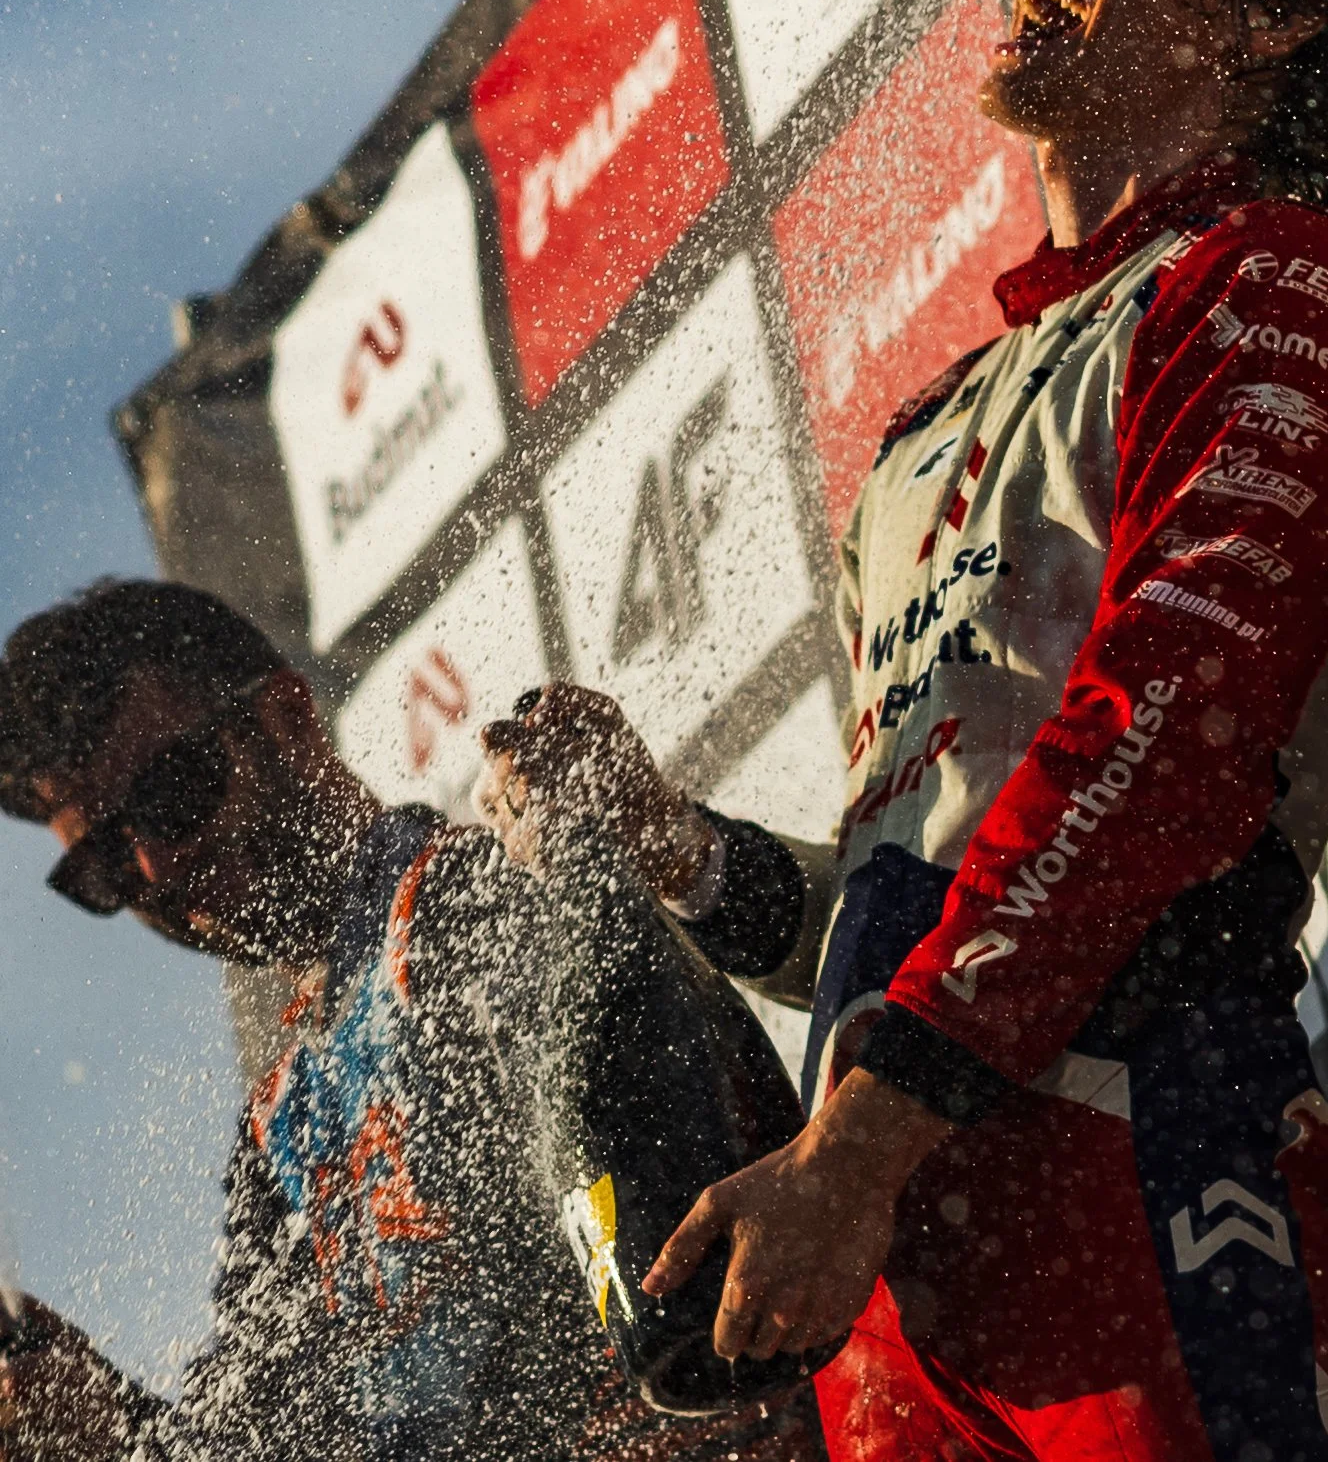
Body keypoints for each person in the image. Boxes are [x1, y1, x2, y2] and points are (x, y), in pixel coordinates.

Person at [490, 0, 1328, 1461]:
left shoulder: (1275, 280)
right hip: (891, 1241)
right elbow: (906, 903)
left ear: (1267, 17)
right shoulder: (933, 423)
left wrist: (858, 1139)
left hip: (1130, 1139)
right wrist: (677, 846)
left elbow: (1159, 753)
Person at [0, 579, 824, 1462]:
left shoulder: (476, 895)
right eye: (102, 864)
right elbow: (267, 1440)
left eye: (176, 793)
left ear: (285, 717)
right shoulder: (273, 1133)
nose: (157, 863)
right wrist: (110, 1425)